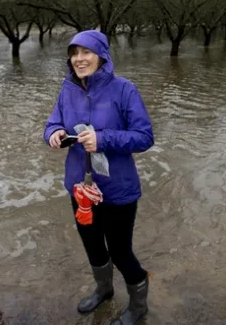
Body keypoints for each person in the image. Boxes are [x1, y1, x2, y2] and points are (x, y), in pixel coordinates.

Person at [43, 30, 154, 325]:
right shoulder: (67, 89)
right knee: (92, 244)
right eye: (74, 53)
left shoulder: (124, 89)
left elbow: (144, 137)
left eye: (86, 52)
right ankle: (104, 290)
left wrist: (103, 139)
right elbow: (52, 122)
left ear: (101, 55)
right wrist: (53, 134)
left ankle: (138, 306)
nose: (79, 59)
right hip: (80, 188)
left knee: (120, 251)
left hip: (117, 189)